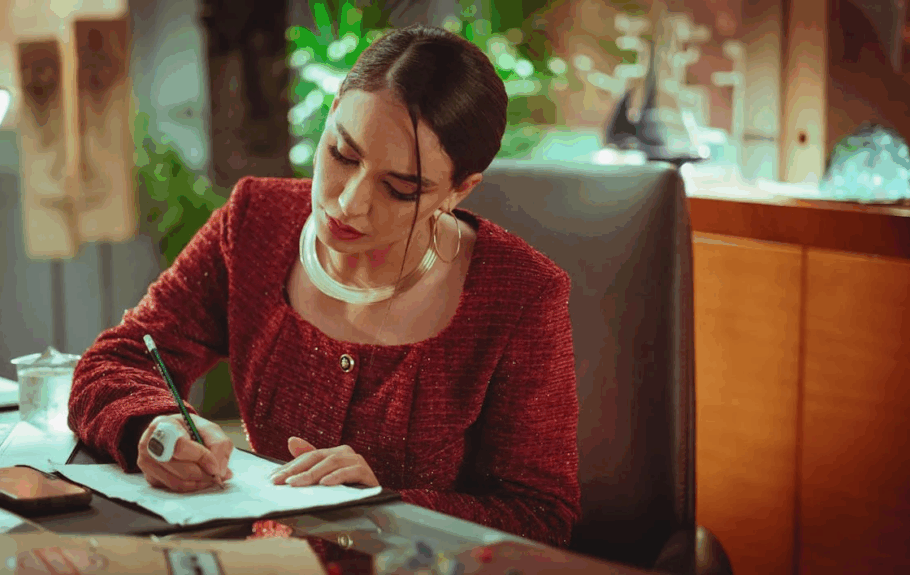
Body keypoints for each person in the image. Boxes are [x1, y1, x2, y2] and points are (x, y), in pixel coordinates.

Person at [68, 23, 581, 549]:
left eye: (400, 188)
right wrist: (152, 426)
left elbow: (541, 517)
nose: (348, 203)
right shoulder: (254, 222)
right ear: (333, 110)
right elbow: (117, 360)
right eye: (342, 154)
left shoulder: (522, 296)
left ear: (458, 190)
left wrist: (386, 505)